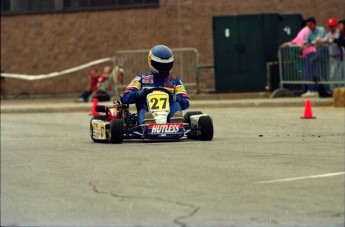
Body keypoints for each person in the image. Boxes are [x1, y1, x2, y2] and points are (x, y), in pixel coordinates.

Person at [122, 45, 189, 124]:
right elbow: (125, 97)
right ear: (151, 61)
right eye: (160, 65)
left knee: (176, 105)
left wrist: (174, 98)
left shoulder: (175, 81)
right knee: (144, 111)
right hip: (147, 111)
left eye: (166, 65)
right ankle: (149, 123)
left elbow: (185, 103)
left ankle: (175, 122)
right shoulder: (141, 79)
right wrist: (138, 94)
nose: (163, 68)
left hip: (169, 115)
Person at [301, 17, 327, 97]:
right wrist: (304, 44)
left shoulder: (321, 29)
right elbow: (306, 40)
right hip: (317, 53)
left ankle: (326, 89)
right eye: (307, 25)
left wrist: (309, 44)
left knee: (323, 71)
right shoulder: (309, 32)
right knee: (314, 69)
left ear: (314, 24)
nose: (308, 27)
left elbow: (317, 40)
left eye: (310, 25)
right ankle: (315, 88)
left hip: (325, 53)